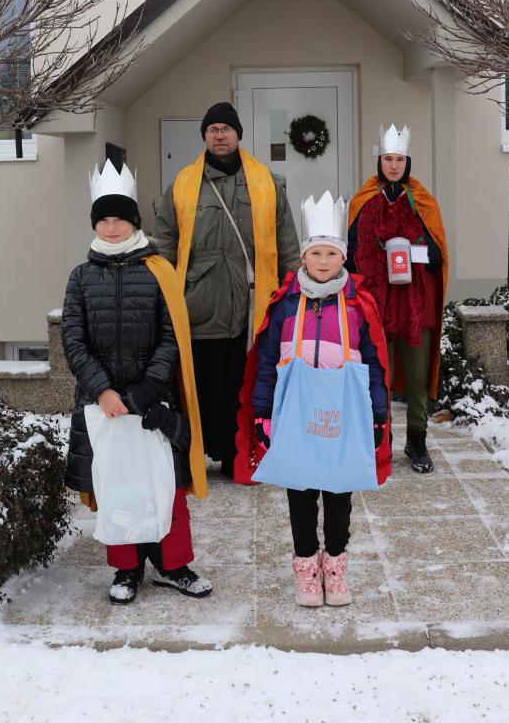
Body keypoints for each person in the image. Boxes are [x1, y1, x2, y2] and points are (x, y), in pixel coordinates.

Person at [63, 159, 212, 605]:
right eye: (104, 220)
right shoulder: (80, 277)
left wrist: (148, 389)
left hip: (153, 401)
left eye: (120, 219)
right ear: (95, 223)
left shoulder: (159, 271)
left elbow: (172, 336)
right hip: (104, 405)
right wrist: (103, 390)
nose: (112, 228)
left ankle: (172, 565)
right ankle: (127, 568)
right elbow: (73, 340)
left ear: (134, 222)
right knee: (118, 487)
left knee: (166, 486)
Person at [236, 192, 390, 607]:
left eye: (331, 253)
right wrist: (262, 414)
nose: (323, 261)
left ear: (343, 257)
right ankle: (306, 567)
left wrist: (378, 417)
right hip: (296, 414)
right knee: (301, 494)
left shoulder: (357, 305)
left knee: (339, 494)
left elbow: (374, 365)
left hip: (343, 416)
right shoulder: (286, 305)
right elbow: (267, 363)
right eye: (316, 253)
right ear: (303, 256)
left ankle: (336, 567)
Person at [154, 101, 300, 476]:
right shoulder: (183, 183)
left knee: (243, 383)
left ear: (238, 134)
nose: (220, 135)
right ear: (205, 136)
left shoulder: (265, 181)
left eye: (226, 129)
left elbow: (286, 240)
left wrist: (293, 290)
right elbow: (166, 240)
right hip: (198, 303)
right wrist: (160, 292)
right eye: (213, 130)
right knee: (203, 385)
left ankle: (239, 456)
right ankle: (199, 454)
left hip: (252, 303)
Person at [347, 124, 449, 474]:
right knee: (379, 376)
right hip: (375, 304)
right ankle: (382, 439)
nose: (393, 165)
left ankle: (417, 440)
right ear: (379, 160)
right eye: (388, 159)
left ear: (408, 162)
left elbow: (438, 255)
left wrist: (421, 253)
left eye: (399, 159)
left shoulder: (423, 201)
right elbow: (351, 256)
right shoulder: (363, 201)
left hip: (415, 305)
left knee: (417, 377)